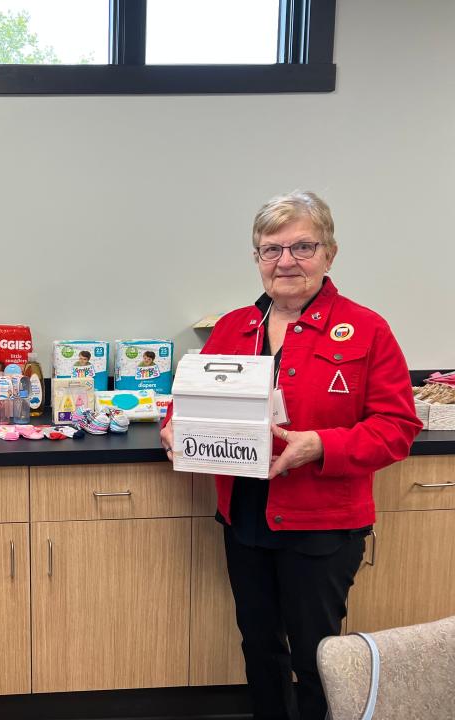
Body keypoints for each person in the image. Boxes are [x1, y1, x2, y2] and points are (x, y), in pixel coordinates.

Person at [160, 191, 420, 720]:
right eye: (271, 249)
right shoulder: (233, 327)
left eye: (303, 246)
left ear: (330, 253)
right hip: (245, 517)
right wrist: (174, 428)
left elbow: (398, 428)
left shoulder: (367, 329)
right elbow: (187, 402)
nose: (286, 261)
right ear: (257, 258)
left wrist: (321, 444)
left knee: (318, 654)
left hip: (321, 525)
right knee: (259, 647)